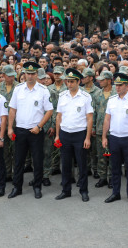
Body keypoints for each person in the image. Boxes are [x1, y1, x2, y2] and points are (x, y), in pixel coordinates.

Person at [7, 62, 53, 199]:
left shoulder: (43, 90)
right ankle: (17, 187)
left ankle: (37, 187)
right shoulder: (18, 89)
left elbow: (49, 110)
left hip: (36, 131)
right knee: (19, 160)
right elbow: (12, 110)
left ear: (37, 75)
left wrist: (39, 126)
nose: (31, 76)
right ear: (24, 74)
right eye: (28, 73)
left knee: (37, 160)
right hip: (20, 129)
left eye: (33, 73)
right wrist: (10, 127)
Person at [102, 72, 128, 205]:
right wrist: (104, 136)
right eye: (116, 85)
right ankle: (115, 193)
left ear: (127, 85)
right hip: (114, 138)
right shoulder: (112, 100)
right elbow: (107, 119)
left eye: (120, 85)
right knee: (114, 168)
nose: (117, 88)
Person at [54, 68, 93, 202]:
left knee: (82, 164)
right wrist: (57, 135)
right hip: (65, 133)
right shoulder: (62, 96)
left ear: (78, 82)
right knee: (65, 164)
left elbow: (89, 118)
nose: (69, 84)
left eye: (71, 82)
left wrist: (87, 137)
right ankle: (66, 190)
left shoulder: (86, 97)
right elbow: (59, 116)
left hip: (79, 134)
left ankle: (83, 190)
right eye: (67, 81)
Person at [0, 65, 19, 182]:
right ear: (3, 76)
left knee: (16, 151)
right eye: (9, 76)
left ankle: (16, 175)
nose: (12, 78)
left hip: (16, 123)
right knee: (4, 151)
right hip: (2, 123)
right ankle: (7, 173)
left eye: (13, 75)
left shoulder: (19, 87)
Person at [94, 71, 116, 188]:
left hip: (113, 129)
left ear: (109, 80)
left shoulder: (116, 93)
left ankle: (112, 177)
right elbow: (94, 112)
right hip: (99, 128)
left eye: (102, 80)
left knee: (112, 155)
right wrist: (93, 127)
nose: (100, 82)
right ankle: (102, 177)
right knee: (101, 155)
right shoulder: (97, 94)